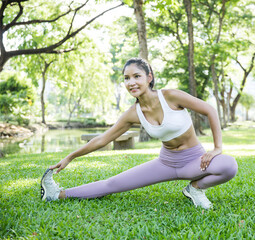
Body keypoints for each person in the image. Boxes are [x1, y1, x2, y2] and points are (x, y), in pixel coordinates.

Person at [40, 57, 238, 209]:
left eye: (137, 76)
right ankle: (57, 194)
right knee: (113, 184)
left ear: (149, 77)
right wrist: (70, 157)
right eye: (127, 78)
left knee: (229, 165)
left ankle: (194, 189)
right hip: (166, 163)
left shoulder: (171, 96)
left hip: (193, 161)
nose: (131, 82)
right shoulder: (132, 114)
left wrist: (217, 148)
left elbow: (209, 110)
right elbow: (103, 139)